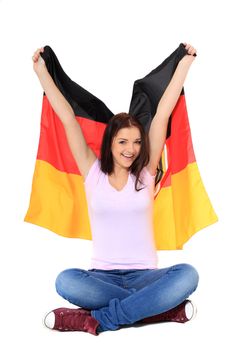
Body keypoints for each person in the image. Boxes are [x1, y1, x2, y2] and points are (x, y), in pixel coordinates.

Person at [32, 44, 199, 336]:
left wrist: (184, 64)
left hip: (147, 278)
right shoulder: (92, 172)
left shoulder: (146, 174)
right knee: (65, 280)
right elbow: (68, 117)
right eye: (123, 142)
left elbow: (161, 115)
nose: (131, 149)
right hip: (101, 280)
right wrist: (41, 73)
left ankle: (95, 320)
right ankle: (154, 311)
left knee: (188, 275)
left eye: (136, 142)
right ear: (110, 142)